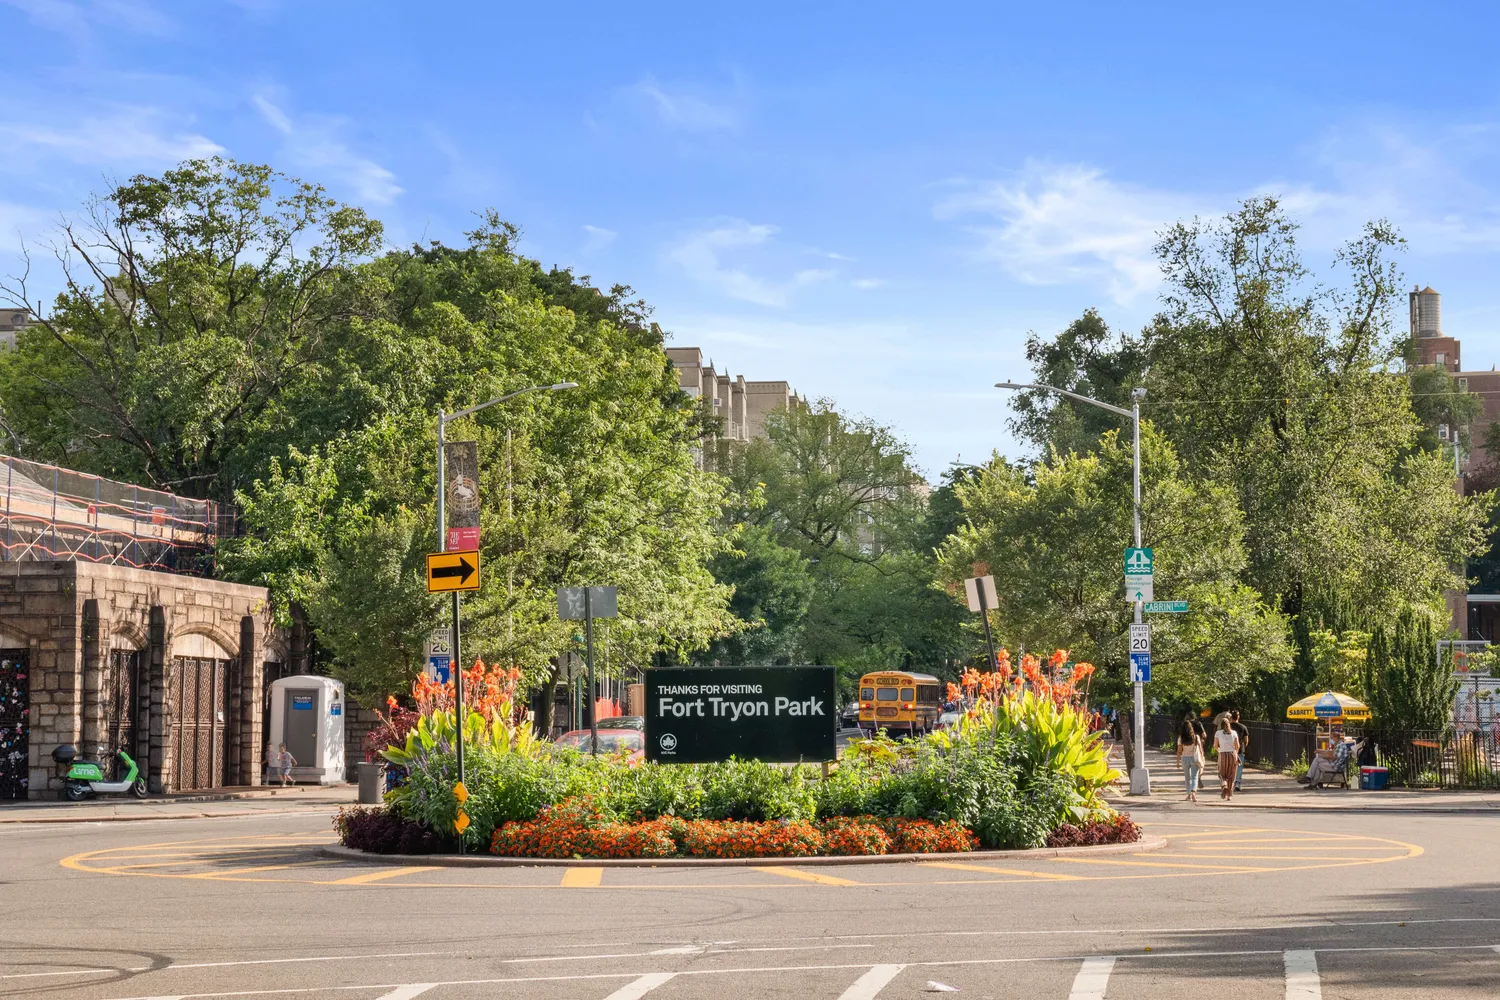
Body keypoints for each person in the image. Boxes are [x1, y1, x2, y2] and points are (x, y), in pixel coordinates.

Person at [1176, 720, 1204, 802]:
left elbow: (1179, 751)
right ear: (1191, 728)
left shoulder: (1181, 738)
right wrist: (1202, 758)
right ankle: (1193, 794)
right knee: (1194, 777)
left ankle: (1189, 795)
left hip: (1185, 758)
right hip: (1194, 758)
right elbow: (1200, 750)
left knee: (1187, 777)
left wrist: (1177, 761)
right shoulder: (1196, 737)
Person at [1213, 717, 1240, 800]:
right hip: (1232, 754)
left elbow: (1215, 745)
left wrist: (1219, 750)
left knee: (1221, 774)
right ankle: (1229, 795)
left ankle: (1224, 786)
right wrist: (1235, 753)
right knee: (1231, 775)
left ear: (1221, 725)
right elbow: (1237, 745)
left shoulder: (1218, 733)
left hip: (1223, 754)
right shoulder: (1234, 733)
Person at [1230, 710, 1250, 792]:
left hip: (1229, 749)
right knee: (1239, 767)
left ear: (1231, 717)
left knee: (1230, 766)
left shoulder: (1228, 727)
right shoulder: (1243, 727)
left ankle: (1229, 782)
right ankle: (1237, 783)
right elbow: (1246, 740)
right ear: (1238, 717)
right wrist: (1243, 746)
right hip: (1240, 749)